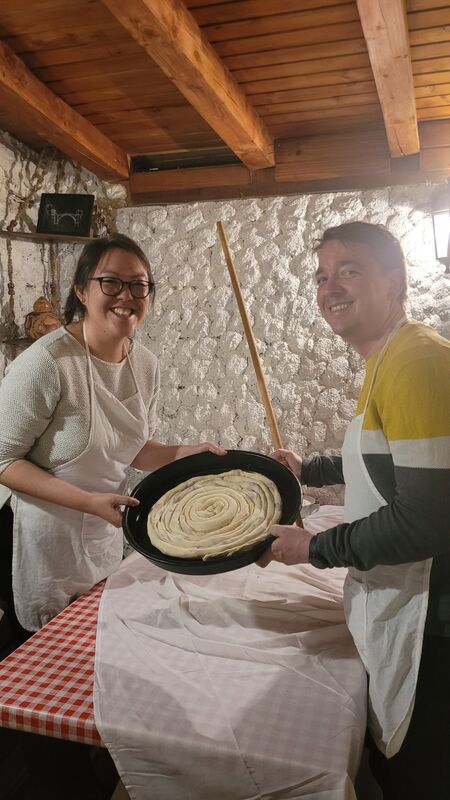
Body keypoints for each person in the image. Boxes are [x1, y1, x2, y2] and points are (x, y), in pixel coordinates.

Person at [258, 222, 450, 800]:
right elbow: (380, 457)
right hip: (403, 593)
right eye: (321, 276)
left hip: (433, 610)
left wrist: (312, 547)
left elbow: (428, 519)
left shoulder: (417, 362)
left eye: (349, 271)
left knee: (423, 775)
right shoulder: (387, 359)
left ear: (394, 282)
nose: (329, 287)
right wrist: (308, 470)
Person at [0, 233, 225, 646]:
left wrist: (183, 453)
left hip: (103, 527)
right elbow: (3, 460)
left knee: (91, 643)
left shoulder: (145, 364)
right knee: (36, 657)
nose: (127, 295)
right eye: (111, 283)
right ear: (82, 291)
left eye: (139, 284)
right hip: (39, 540)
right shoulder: (47, 363)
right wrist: (87, 502)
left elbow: (130, 446)